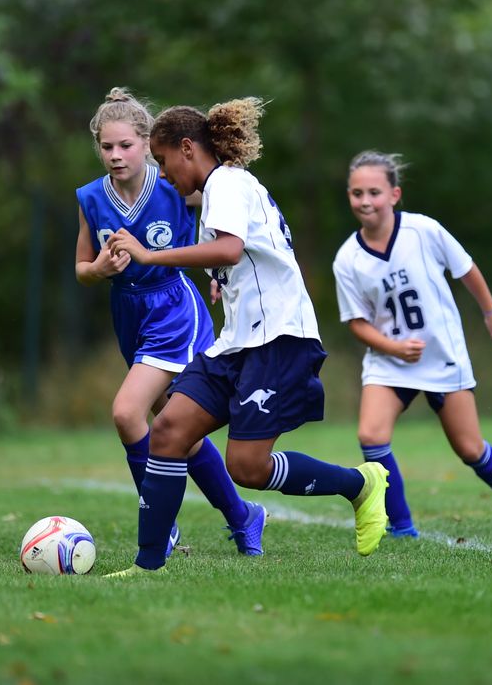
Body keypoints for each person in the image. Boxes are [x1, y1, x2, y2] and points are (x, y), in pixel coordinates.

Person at [104, 99, 389, 575]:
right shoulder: (220, 192)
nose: (162, 171)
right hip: (236, 343)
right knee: (170, 431)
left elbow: (232, 248)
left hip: (278, 340)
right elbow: (243, 255)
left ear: (187, 148)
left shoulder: (229, 183)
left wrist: (151, 257)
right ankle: (147, 566)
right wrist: (220, 278)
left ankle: (359, 485)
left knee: (248, 467)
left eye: (162, 158)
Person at [75, 88, 265, 556]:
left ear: (146, 144)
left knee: (126, 413)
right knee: (175, 429)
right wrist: (98, 270)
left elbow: (228, 231)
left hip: (173, 310)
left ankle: (160, 522)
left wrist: (220, 274)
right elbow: (81, 268)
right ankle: (243, 517)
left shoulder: (178, 186)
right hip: (129, 313)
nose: (115, 155)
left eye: (125, 145)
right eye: (106, 146)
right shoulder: (89, 198)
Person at [332, 151, 492, 538]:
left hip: (440, 355)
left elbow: (465, 268)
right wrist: (391, 347)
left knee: (470, 449)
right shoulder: (348, 258)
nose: (365, 201)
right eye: (356, 193)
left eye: (374, 192)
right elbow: (356, 321)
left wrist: (491, 311)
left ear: (395, 194)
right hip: (390, 362)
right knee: (371, 436)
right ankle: (401, 527)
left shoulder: (423, 231)